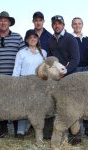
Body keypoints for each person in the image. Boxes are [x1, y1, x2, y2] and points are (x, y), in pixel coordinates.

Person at [0, 11, 25, 138]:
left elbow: (22, 57)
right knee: (0, 103)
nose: (3, 23)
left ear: (9, 23)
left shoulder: (18, 37)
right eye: (1, 20)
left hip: (13, 77)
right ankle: (3, 129)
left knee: (14, 103)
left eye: (6, 20)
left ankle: (16, 130)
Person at [48, 15, 80, 144]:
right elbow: (50, 59)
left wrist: (64, 73)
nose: (57, 25)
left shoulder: (70, 38)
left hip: (69, 77)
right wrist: (53, 74)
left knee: (72, 107)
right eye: (55, 23)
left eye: (59, 23)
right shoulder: (50, 40)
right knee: (58, 106)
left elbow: (75, 59)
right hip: (55, 79)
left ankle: (76, 135)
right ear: (52, 25)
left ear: (63, 25)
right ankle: (60, 134)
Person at [12, 29, 47, 138]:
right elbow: (16, 70)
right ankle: (20, 132)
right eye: (30, 37)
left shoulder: (43, 53)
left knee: (37, 108)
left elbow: (45, 70)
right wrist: (14, 84)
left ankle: (36, 130)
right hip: (24, 84)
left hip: (39, 85)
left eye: (35, 37)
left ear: (37, 39)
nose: (33, 39)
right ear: (27, 40)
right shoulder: (21, 53)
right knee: (23, 108)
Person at [32, 11, 53, 140]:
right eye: (36, 20)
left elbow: (50, 56)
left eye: (40, 20)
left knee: (46, 101)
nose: (38, 22)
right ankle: (32, 128)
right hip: (32, 75)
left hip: (45, 75)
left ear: (43, 21)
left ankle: (46, 130)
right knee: (31, 101)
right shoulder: (30, 34)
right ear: (33, 21)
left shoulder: (49, 36)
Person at [71, 17, 88, 136]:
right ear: (72, 25)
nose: (77, 25)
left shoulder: (87, 39)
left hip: (87, 70)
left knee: (87, 99)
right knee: (75, 100)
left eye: (79, 23)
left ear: (82, 25)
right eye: (75, 24)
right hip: (74, 70)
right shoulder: (69, 38)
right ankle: (75, 129)